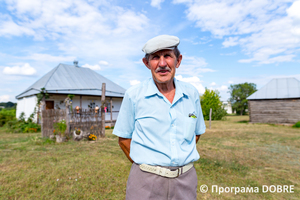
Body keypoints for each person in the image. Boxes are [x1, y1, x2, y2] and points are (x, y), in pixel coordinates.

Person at [113, 35, 206, 200]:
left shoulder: (191, 94)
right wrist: (148, 167)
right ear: (146, 63)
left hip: (186, 181)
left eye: (168, 56)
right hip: (145, 183)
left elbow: (196, 134)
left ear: (178, 61)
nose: (162, 64)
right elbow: (124, 139)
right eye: (155, 57)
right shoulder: (134, 95)